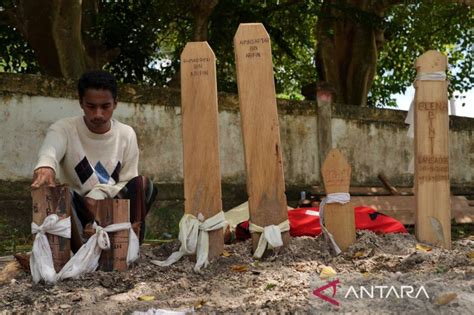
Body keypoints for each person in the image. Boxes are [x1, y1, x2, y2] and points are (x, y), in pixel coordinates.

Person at [31, 70, 157, 251]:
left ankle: (128, 246)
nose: (98, 114)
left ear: (115, 103)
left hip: (114, 208)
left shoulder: (126, 134)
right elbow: (50, 150)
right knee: (62, 196)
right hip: (79, 210)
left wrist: (99, 196)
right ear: (81, 103)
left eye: (105, 106)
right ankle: (82, 249)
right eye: (91, 106)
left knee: (145, 185)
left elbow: (128, 181)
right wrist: (45, 167)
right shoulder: (65, 129)